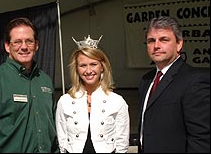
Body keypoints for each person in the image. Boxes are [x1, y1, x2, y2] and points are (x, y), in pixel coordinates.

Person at [0, 17, 59, 153]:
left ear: (36, 45)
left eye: (29, 41)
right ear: (7, 46)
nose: (24, 47)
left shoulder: (45, 81)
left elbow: (53, 131)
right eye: (17, 42)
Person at [137, 16, 210, 153]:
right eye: (151, 41)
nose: (156, 46)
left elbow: (201, 139)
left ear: (179, 44)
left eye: (164, 40)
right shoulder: (146, 81)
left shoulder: (195, 81)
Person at [55, 35, 130, 153]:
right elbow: (62, 139)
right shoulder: (65, 101)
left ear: (102, 67)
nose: (89, 71)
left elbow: (122, 142)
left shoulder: (117, 101)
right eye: (83, 65)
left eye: (93, 64)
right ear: (77, 69)